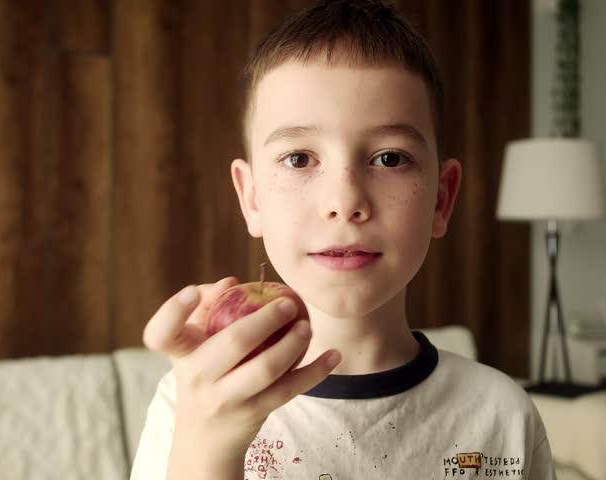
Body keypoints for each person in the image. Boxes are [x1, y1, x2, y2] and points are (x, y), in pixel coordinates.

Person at [130, 1, 555, 479]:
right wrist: (207, 448)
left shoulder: (503, 416)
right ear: (251, 199)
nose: (344, 200)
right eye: (298, 159)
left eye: (390, 158)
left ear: (442, 198)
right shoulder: (195, 403)